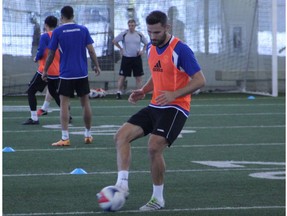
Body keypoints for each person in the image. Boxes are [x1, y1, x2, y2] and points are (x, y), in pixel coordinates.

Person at [112, 10, 206, 211]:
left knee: (154, 147)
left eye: (156, 32)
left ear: (166, 28)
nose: (153, 37)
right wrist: (143, 90)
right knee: (121, 136)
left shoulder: (181, 50)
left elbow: (200, 80)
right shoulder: (150, 48)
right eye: (150, 32)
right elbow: (156, 74)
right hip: (155, 104)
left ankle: (158, 199)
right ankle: (122, 185)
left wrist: (175, 94)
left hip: (176, 108)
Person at [42, 5, 101, 146]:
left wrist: (45, 70)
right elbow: (91, 51)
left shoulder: (58, 31)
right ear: (73, 15)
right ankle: (87, 135)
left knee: (64, 104)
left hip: (66, 74)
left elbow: (51, 53)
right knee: (85, 103)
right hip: (81, 73)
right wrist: (97, 66)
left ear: (62, 17)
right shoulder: (83, 29)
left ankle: (65, 137)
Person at [22, 15, 61, 125]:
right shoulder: (59, 35)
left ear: (46, 25)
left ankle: (34, 118)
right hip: (57, 70)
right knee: (54, 92)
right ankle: (67, 114)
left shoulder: (45, 36)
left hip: (45, 69)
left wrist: (37, 58)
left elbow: (42, 51)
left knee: (31, 91)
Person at [112, 19, 148, 99]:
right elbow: (114, 41)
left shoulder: (139, 34)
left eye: (132, 25)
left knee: (138, 77)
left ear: (135, 26)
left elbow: (146, 43)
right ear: (128, 26)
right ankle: (118, 93)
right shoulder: (124, 34)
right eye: (129, 25)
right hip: (126, 58)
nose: (131, 27)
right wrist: (121, 49)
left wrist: (142, 51)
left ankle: (139, 93)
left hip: (136, 58)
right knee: (122, 76)